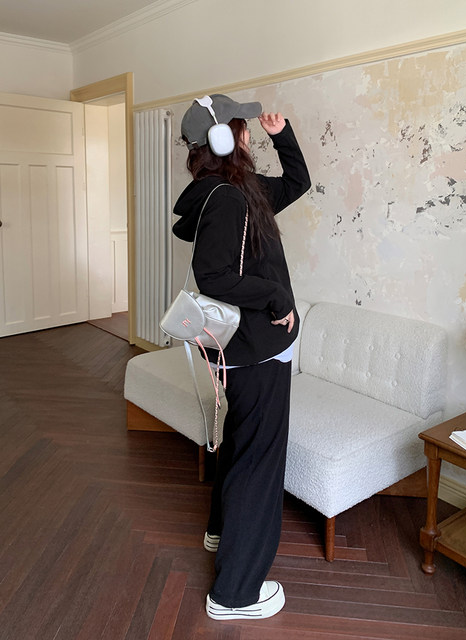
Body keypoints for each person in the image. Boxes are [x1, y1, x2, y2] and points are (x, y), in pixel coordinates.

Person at [172, 94, 310, 620]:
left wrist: (283, 135)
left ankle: (220, 530)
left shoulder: (239, 189)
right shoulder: (227, 200)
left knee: (241, 446)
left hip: (250, 351)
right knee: (259, 463)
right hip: (255, 351)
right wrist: (276, 298)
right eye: (244, 126)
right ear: (226, 138)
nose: (250, 132)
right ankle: (235, 594)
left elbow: (297, 183)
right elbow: (214, 277)